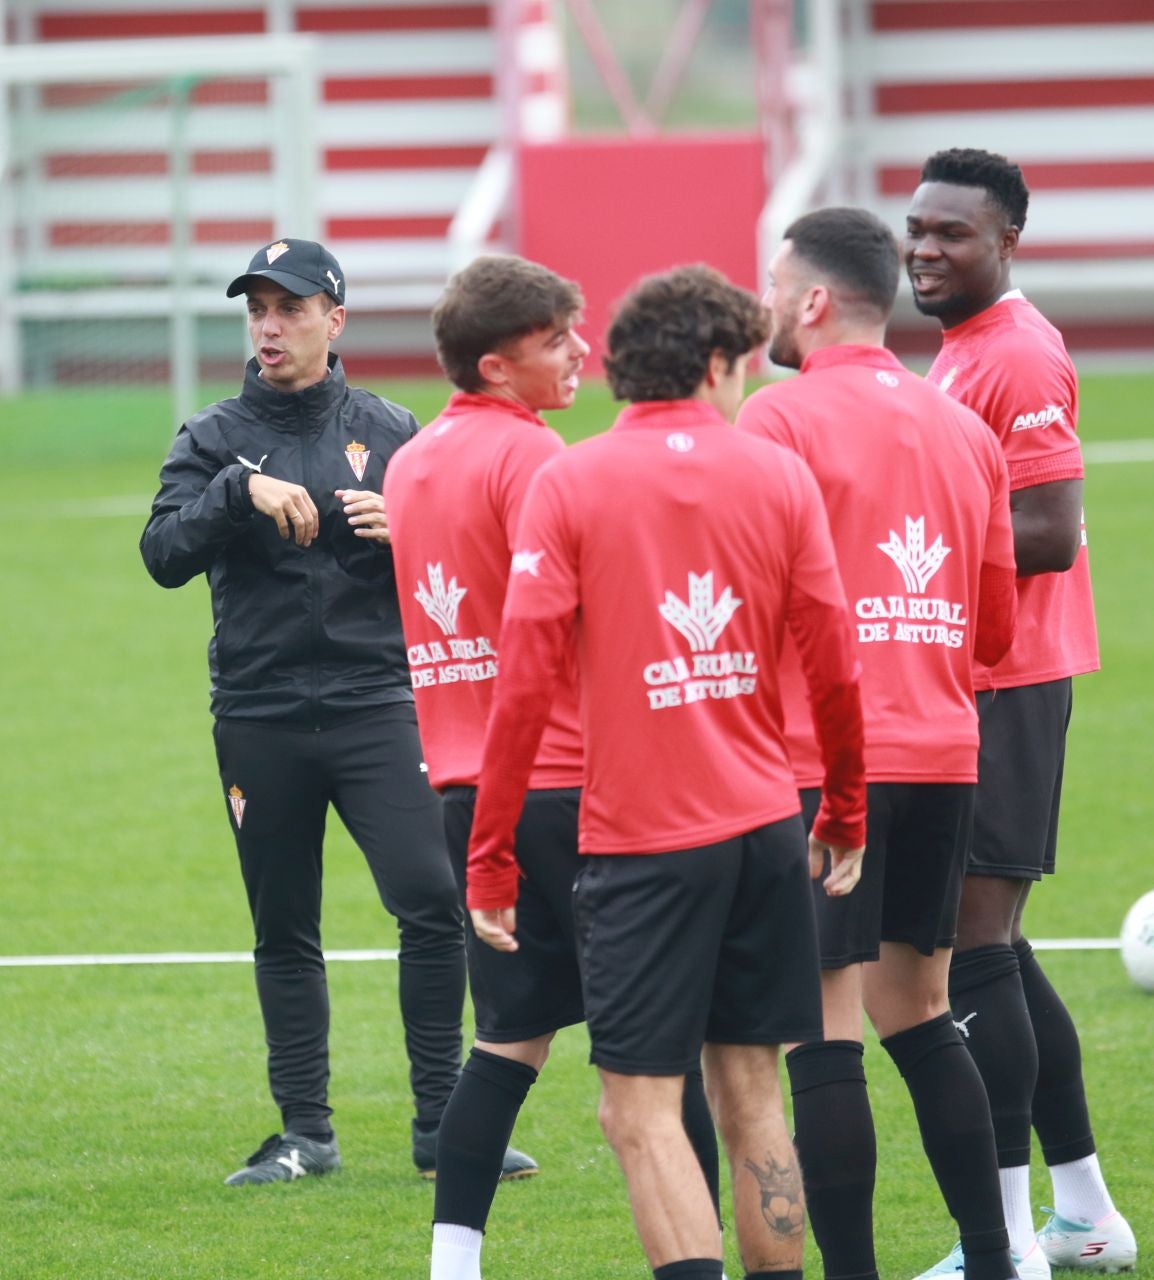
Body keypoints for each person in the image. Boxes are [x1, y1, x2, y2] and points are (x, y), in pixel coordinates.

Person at [469, 264, 867, 1280]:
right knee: (754, 1097)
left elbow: (520, 688)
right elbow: (833, 659)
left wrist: (491, 856)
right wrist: (846, 810)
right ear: (719, 363)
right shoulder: (777, 475)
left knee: (638, 1111)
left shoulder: (570, 479)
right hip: (765, 830)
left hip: (642, 848)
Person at [143, 238, 516, 1186]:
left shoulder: (393, 429)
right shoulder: (213, 436)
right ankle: (306, 1134)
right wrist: (239, 492)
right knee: (285, 926)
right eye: (258, 309)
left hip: (375, 705)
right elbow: (162, 554)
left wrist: (414, 532)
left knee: (432, 902)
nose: (270, 326)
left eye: (291, 308)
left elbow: (467, 567)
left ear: (334, 320)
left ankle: (443, 1125)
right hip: (258, 715)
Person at [385, 255, 718, 1280]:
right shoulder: (535, 462)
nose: (584, 354)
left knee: (509, 1037)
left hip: (465, 788)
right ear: (497, 363)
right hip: (575, 785)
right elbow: (582, 623)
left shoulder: (410, 462)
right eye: (558, 341)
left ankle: (453, 1261)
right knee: (671, 1048)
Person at [739, 207, 1026, 1280]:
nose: (765, 303)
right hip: (945, 751)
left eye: (774, 285)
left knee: (825, 1030)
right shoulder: (964, 429)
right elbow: (992, 628)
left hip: (824, 765)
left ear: (814, 300)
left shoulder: (777, 422)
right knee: (922, 1006)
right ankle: (997, 1257)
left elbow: (747, 600)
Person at [905, 149, 1134, 1275]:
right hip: (972, 676)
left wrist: (892, 567)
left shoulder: (1021, 354)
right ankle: (1084, 1211)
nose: (926, 249)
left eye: (953, 234)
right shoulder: (959, 354)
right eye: (917, 229)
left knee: (970, 950)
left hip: (1009, 678)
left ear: (1008, 245)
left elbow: (1049, 530)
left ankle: (1000, 1239)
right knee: (995, 945)